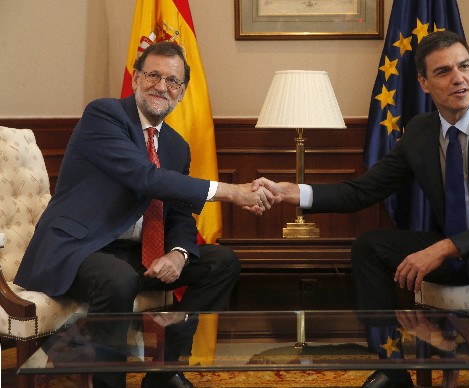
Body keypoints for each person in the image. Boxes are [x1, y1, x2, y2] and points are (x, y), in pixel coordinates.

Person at [254, 31, 469, 388]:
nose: (459, 78)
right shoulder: (422, 131)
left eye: (464, 66)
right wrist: (292, 193)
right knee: (371, 247)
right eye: (443, 72)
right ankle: (391, 370)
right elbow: (364, 190)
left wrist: (443, 247)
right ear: (423, 82)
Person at [14, 41, 274, 388]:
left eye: (172, 81)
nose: (161, 86)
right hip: (81, 248)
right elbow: (145, 177)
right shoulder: (104, 115)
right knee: (117, 278)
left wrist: (179, 254)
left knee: (221, 262)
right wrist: (231, 192)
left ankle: (165, 373)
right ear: (136, 78)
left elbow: (180, 213)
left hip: (137, 255)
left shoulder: (177, 146)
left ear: (181, 92)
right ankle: (110, 383)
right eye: (153, 75)